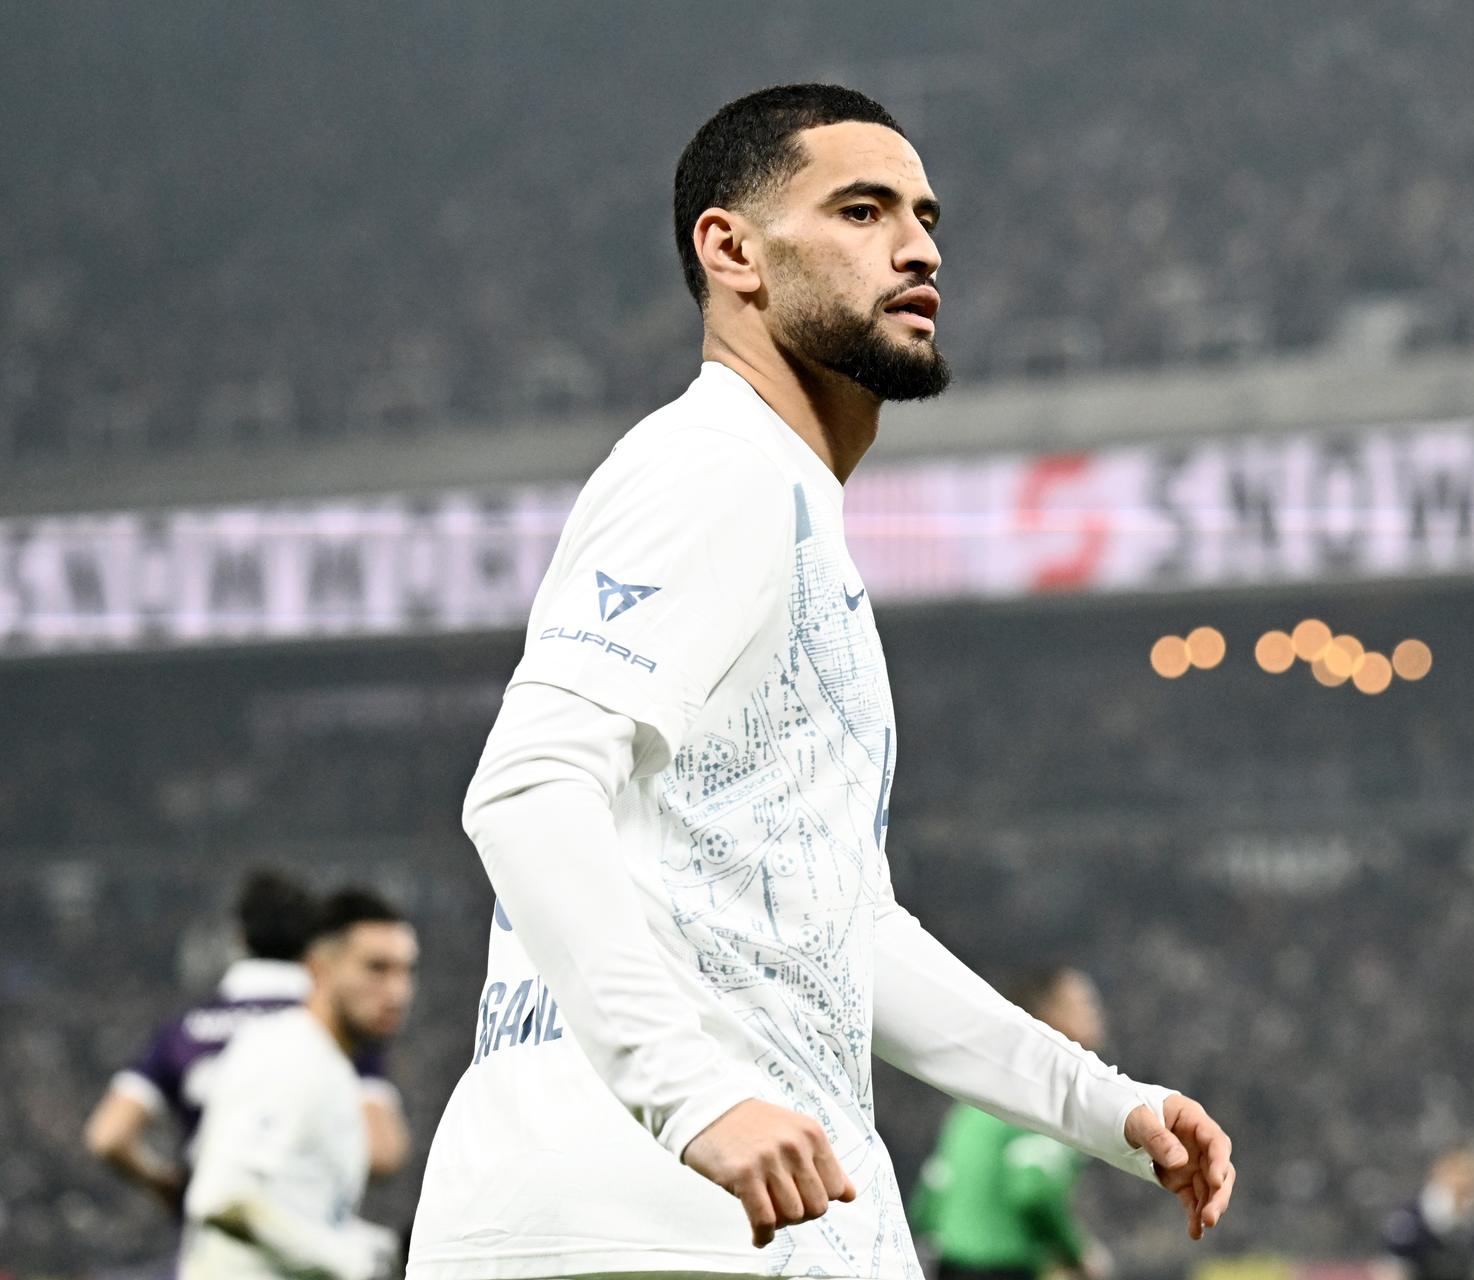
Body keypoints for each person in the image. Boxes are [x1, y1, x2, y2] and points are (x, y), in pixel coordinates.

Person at [408, 83, 1234, 1280]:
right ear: (730, 248)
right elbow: (527, 786)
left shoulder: (789, 511)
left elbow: (841, 927)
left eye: (924, 215)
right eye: (860, 209)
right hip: (662, 1217)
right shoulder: (714, 468)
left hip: (713, 1213)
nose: (918, 245)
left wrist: (1104, 1106)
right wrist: (692, 1096)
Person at [83, 871, 411, 1210]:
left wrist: (166, 1184)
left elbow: (108, 1136)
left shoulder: (186, 1029)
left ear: (240, 939)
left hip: (211, 1232)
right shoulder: (334, 1027)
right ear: (314, 943)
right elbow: (382, 1152)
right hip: (306, 1234)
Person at [180, 887, 419, 1280]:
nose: (397, 992)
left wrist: (381, 1249)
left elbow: (298, 1214)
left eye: (406, 970)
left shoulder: (332, 1067)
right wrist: (354, 1261)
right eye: (377, 968)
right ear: (317, 968)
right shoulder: (286, 1052)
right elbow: (225, 1199)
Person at [910, 968, 1118, 1280]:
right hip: (1002, 1269)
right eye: (1084, 1003)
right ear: (1050, 1017)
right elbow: (1033, 1190)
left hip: (948, 1266)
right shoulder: (1045, 1095)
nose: (1097, 1014)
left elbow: (930, 1197)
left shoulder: (974, 1099)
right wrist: (1078, 1253)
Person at [1381, 1148, 1474, 1280]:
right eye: (1457, 1171)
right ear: (1439, 1171)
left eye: (1470, 1172)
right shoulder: (1410, 1218)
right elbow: (1396, 1269)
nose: (1464, 1180)